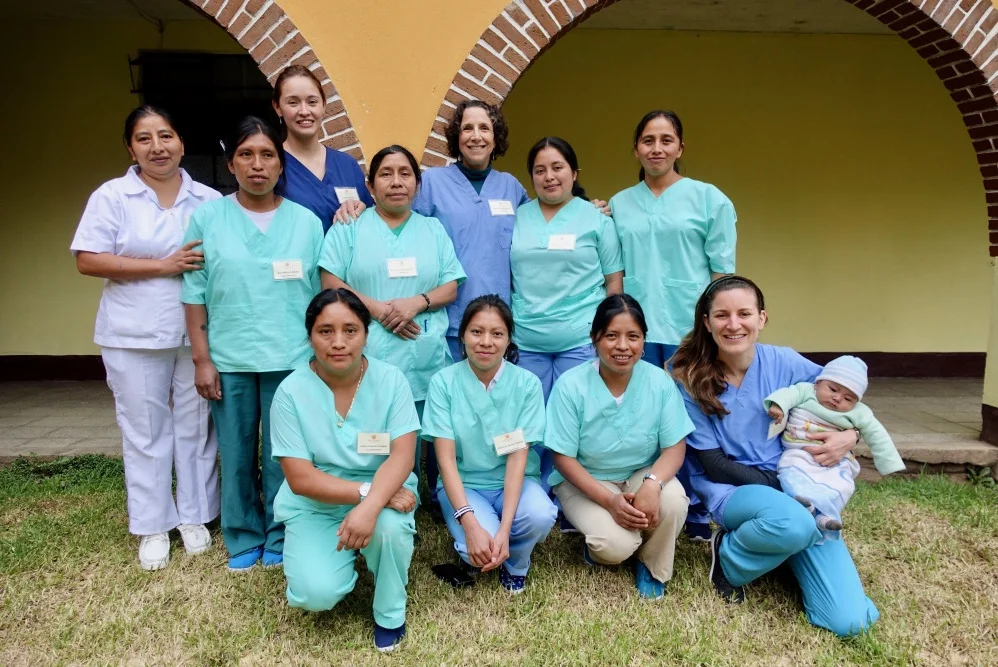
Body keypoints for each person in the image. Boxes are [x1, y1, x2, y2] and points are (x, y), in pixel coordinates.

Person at [670, 275, 879, 636]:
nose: (733, 324)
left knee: (850, 622)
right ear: (706, 322)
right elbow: (712, 464)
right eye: (721, 315)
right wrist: (783, 486)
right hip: (735, 489)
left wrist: (851, 435)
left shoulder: (785, 362)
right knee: (795, 523)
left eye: (744, 313)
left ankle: (777, 548)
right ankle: (731, 558)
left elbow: (843, 399)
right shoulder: (688, 376)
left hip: (797, 492)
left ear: (761, 318)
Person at [71, 105, 220, 571]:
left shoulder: (208, 199)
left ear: (181, 142)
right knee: (145, 430)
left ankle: (195, 515)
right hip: (131, 333)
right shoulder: (113, 196)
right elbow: (88, 259)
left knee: (196, 425)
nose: (157, 147)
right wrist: (162, 265)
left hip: (196, 333)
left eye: (166, 136)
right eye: (144, 138)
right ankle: (153, 525)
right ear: (130, 147)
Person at [181, 116, 324, 572]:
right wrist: (202, 360)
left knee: (285, 455)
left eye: (267, 155)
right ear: (231, 164)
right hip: (230, 359)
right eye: (246, 155)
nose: (257, 165)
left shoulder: (305, 223)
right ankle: (243, 534)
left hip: (292, 358)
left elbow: (320, 297)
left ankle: (282, 532)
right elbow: (193, 294)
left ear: (281, 165)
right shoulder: (207, 219)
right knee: (237, 451)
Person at [609, 110, 737, 541]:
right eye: (648, 140)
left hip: (689, 328)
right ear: (636, 149)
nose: (657, 148)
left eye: (666, 140)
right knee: (642, 416)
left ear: (681, 147)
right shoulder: (620, 204)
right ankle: (639, 496)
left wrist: (717, 325)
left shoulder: (709, 199)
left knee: (691, 417)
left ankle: (698, 508)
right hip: (637, 330)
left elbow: (722, 273)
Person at [272, 289, 418, 653]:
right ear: (310, 335)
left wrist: (371, 506)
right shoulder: (290, 392)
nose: (338, 342)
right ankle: (340, 555)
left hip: (385, 492)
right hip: (317, 505)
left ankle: (389, 613)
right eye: (326, 331)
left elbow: (402, 457)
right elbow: (300, 478)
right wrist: (366, 495)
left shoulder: (391, 381)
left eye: (350, 330)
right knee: (315, 593)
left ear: (366, 334)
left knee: (390, 529)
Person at [545, 295, 692, 599]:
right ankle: (605, 549)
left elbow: (675, 447)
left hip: (641, 473)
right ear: (594, 338)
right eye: (611, 335)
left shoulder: (660, 382)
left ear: (643, 341)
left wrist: (652, 484)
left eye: (633, 336)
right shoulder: (571, 385)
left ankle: (652, 565)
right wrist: (611, 502)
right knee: (614, 546)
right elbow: (562, 458)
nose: (622, 346)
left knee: (674, 501)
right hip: (586, 480)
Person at [421, 295, 557, 593]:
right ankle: (478, 543)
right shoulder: (443, 383)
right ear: (462, 336)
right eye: (476, 331)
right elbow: (445, 461)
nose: (486, 342)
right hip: (464, 484)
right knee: (473, 549)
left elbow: (517, 458)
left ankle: (516, 562)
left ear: (508, 340)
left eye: (497, 333)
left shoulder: (527, 384)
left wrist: (504, 531)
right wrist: (470, 524)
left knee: (541, 515)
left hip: (513, 481)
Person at [319, 145, 465, 416]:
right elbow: (330, 281)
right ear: (370, 185)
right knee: (369, 434)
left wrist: (417, 303)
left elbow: (450, 287)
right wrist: (379, 310)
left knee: (422, 433)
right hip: (366, 353)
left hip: (423, 357)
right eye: (386, 174)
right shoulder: (349, 226)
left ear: (417, 184)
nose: (396, 182)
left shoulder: (433, 229)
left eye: (405, 174)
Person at [512, 137, 623, 489]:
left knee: (575, 418)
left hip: (580, 338)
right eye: (539, 170)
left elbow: (614, 282)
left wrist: (607, 334)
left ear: (574, 173)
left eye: (557, 167)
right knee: (528, 420)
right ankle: (530, 488)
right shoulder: (517, 216)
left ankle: (569, 490)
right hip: (527, 339)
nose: (549, 176)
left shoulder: (596, 219)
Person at [765, 355, 905, 534]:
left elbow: (878, 436)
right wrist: (778, 406)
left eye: (848, 399)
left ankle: (827, 516)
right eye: (832, 389)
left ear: (857, 402)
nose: (838, 398)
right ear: (817, 383)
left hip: (837, 459)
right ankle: (804, 504)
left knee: (842, 484)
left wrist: (889, 463)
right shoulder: (806, 391)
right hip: (800, 451)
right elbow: (788, 394)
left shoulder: (860, 413)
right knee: (791, 471)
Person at [272, 65, 373, 232]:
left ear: (324, 105)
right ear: (277, 107)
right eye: (293, 102)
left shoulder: (347, 165)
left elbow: (372, 224)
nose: (304, 111)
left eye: (312, 102)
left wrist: (363, 212)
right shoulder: (272, 166)